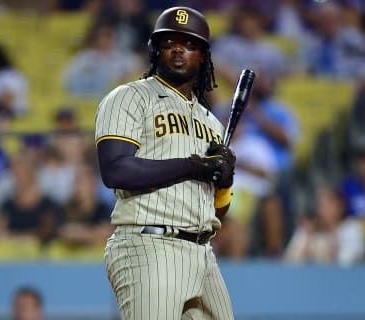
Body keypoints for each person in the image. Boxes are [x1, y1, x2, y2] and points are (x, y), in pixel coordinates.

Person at [95, 6, 235, 319]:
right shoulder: (129, 97)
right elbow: (116, 170)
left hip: (203, 251)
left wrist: (223, 182)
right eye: (169, 42)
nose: (178, 50)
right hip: (149, 245)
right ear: (154, 49)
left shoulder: (211, 122)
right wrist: (194, 166)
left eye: (189, 44)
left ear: (204, 56)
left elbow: (217, 210)